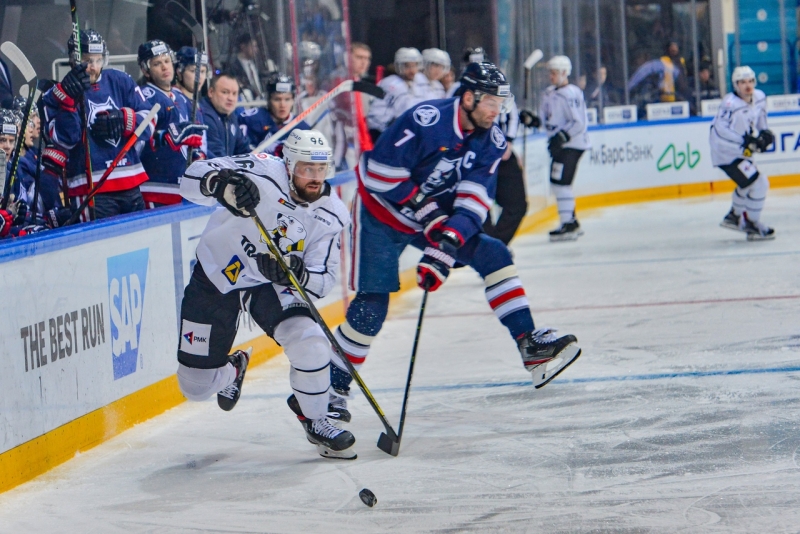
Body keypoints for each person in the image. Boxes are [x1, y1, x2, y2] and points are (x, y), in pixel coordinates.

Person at [328, 62, 582, 422]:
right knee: (372, 306)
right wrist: (432, 217)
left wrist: (447, 241)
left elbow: (475, 199)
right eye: (490, 102)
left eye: (500, 103)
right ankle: (329, 388)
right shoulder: (425, 119)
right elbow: (378, 174)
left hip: (429, 218)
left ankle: (530, 346)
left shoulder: (492, 140)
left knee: (494, 251)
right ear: (467, 98)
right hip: (381, 214)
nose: (497, 111)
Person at [177, 129, 355, 459]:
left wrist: (296, 272)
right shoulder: (260, 168)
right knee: (195, 387)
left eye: (321, 169)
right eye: (306, 169)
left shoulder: (331, 214)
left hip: (272, 283)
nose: (314, 178)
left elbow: (323, 281)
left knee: (311, 342)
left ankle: (316, 419)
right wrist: (222, 185)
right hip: (217, 274)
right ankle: (234, 369)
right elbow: (190, 177)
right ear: (288, 165)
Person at [42, 29, 155, 220]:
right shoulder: (57, 94)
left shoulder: (121, 80)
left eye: (98, 60)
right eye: (87, 61)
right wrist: (68, 104)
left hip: (131, 182)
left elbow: (150, 121)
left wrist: (125, 119)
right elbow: (64, 141)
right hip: (90, 189)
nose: (93, 67)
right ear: (73, 59)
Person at [137, 40, 208, 207]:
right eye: (157, 63)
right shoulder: (146, 96)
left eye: (167, 61)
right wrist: (166, 137)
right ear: (145, 70)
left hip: (181, 187)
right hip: (156, 188)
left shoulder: (182, 99)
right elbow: (139, 135)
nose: (164, 67)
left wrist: (197, 154)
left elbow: (193, 138)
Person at [710, 66, 775, 240]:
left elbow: (761, 122)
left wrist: (764, 134)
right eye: (742, 82)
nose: (747, 86)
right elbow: (720, 129)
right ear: (735, 85)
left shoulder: (760, 97)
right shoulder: (730, 103)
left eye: (750, 81)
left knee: (748, 183)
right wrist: (743, 141)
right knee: (759, 183)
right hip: (725, 152)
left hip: (741, 152)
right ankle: (750, 223)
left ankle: (735, 216)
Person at [538, 55, 590, 241]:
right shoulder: (549, 93)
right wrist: (533, 120)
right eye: (550, 72)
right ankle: (571, 221)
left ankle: (568, 223)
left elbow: (579, 123)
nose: (551, 76)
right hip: (560, 144)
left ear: (564, 73)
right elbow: (548, 120)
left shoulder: (571, 93)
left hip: (572, 145)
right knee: (558, 182)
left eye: (554, 73)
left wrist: (561, 137)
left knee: (561, 183)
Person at [484, 94, 527, 246]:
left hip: (504, 156)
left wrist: (509, 141)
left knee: (517, 204)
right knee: (479, 206)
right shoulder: (463, 91)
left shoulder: (502, 90)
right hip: (479, 156)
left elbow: (513, 116)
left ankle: (496, 245)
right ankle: (486, 247)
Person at [238, 74, 309, 155]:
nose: (282, 105)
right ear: (268, 100)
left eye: (287, 99)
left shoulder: (302, 128)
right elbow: (241, 154)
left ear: (293, 100)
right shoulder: (251, 120)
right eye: (277, 99)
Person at [366, 47, 425, 140]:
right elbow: (376, 115)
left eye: (415, 65)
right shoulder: (389, 84)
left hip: (409, 132)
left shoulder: (419, 82)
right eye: (407, 66)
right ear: (398, 66)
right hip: (388, 133)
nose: (412, 70)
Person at [199, 73, 250, 158]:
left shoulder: (230, 116)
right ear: (211, 92)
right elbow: (217, 156)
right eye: (225, 92)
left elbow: (243, 149)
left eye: (234, 94)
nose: (231, 98)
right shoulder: (203, 115)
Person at [227, 33, 269, 101]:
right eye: (253, 46)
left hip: (261, 99)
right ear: (243, 47)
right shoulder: (233, 67)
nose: (256, 50)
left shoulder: (258, 64)